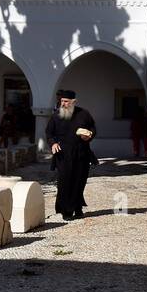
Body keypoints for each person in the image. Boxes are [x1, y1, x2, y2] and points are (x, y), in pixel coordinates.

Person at [44, 89, 97, 220]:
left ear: (73, 102)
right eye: (62, 101)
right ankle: (66, 211)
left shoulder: (84, 114)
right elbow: (49, 133)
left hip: (81, 154)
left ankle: (77, 207)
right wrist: (53, 144)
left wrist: (88, 136)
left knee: (79, 181)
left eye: (66, 101)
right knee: (65, 182)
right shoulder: (56, 116)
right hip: (63, 155)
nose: (63, 104)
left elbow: (93, 129)